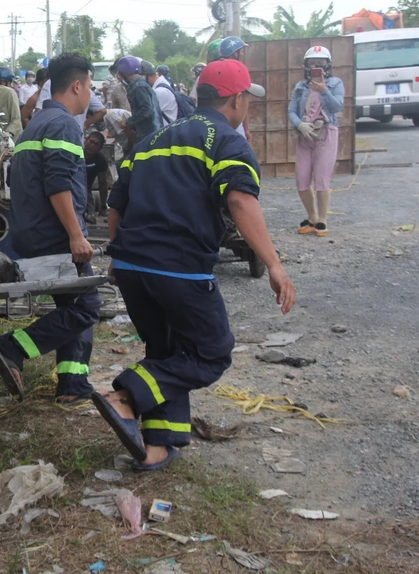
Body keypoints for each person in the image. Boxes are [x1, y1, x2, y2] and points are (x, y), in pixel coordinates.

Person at [96, 59, 295, 470]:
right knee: (210, 353)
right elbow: (240, 200)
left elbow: (116, 203)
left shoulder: (151, 140)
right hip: (178, 267)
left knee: (168, 351)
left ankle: (157, 446)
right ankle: (125, 395)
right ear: (237, 99)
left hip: (133, 265)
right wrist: (273, 264)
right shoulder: (225, 140)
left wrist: (118, 257)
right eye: (247, 101)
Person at [0, 53, 102, 405]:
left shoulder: (35, 124)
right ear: (77, 85)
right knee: (86, 308)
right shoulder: (63, 125)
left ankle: (72, 383)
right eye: (90, 87)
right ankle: (12, 348)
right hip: (55, 235)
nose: (90, 96)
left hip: (32, 233)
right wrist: (76, 235)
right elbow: (58, 185)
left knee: (74, 304)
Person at [289, 45, 345, 238]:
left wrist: (324, 91)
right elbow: (291, 111)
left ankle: (322, 220)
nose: (316, 67)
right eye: (312, 64)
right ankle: (311, 216)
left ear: (328, 66)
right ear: (306, 65)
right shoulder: (300, 86)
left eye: (320, 64)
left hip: (326, 132)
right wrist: (299, 125)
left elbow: (337, 106)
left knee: (321, 179)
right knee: (302, 180)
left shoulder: (335, 83)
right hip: (305, 134)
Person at [117, 56, 162, 140]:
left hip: (148, 134)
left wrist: (128, 121)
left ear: (125, 73)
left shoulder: (138, 87)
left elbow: (146, 109)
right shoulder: (141, 84)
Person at [143, 60, 179, 125]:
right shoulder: (163, 84)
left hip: (165, 130)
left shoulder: (159, 91)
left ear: (147, 76)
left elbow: (148, 114)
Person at [84, 130, 109, 220]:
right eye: (91, 142)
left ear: (100, 148)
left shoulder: (100, 160)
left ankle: (89, 214)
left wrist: (103, 206)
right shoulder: (75, 152)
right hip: (70, 186)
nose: (92, 146)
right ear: (85, 140)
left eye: (96, 144)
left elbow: (103, 184)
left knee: (90, 213)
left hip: (85, 190)